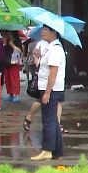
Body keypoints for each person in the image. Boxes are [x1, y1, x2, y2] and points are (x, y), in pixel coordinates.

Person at [30, 27, 65, 161]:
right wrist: (38, 57)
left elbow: (53, 73)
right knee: (53, 121)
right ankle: (57, 151)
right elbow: (43, 68)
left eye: (45, 30)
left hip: (51, 90)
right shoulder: (50, 48)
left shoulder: (55, 49)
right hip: (48, 88)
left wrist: (47, 93)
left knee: (48, 121)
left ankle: (47, 150)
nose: (42, 32)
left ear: (53, 32)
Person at [0, 30, 22, 102]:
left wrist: (12, 44)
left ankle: (16, 94)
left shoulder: (17, 41)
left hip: (14, 63)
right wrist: (5, 43)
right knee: (7, 79)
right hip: (6, 62)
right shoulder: (7, 40)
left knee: (14, 79)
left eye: (9, 33)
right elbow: (4, 50)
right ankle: (10, 94)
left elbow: (19, 50)